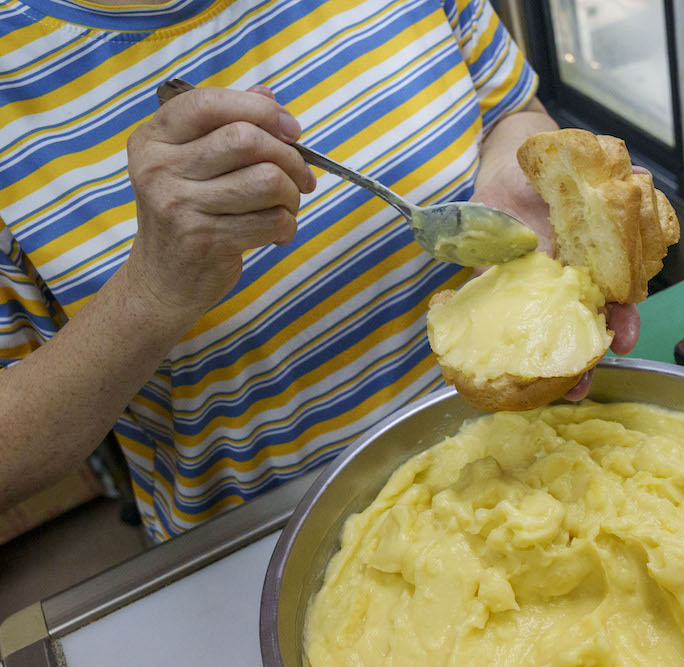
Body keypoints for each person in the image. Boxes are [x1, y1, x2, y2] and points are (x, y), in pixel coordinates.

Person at [0, 0, 639, 541]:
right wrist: (152, 291)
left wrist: (512, 177)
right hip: (265, 547)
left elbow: (509, 110)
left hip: (522, 474)